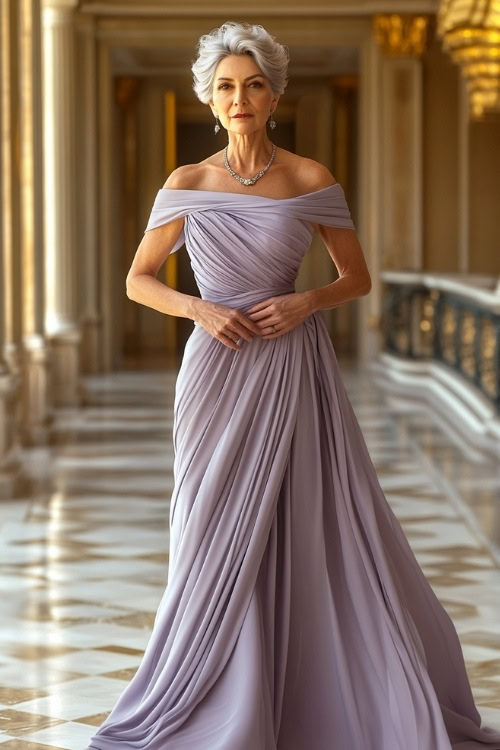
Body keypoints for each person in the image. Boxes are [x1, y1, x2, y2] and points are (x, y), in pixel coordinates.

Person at [87, 20, 500, 750]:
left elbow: (357, 279)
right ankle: (212, 684)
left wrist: (307, 300)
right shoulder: (186, 183)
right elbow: (136, 281)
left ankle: (312, 685)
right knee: (211, 520)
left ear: (273, 94)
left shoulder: (311, 179)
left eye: (251, 84)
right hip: (214, 370)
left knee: (308, 514)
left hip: (292, 366)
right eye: (224, 87)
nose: (238, 97)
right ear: (209, 101)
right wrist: (198, 308)